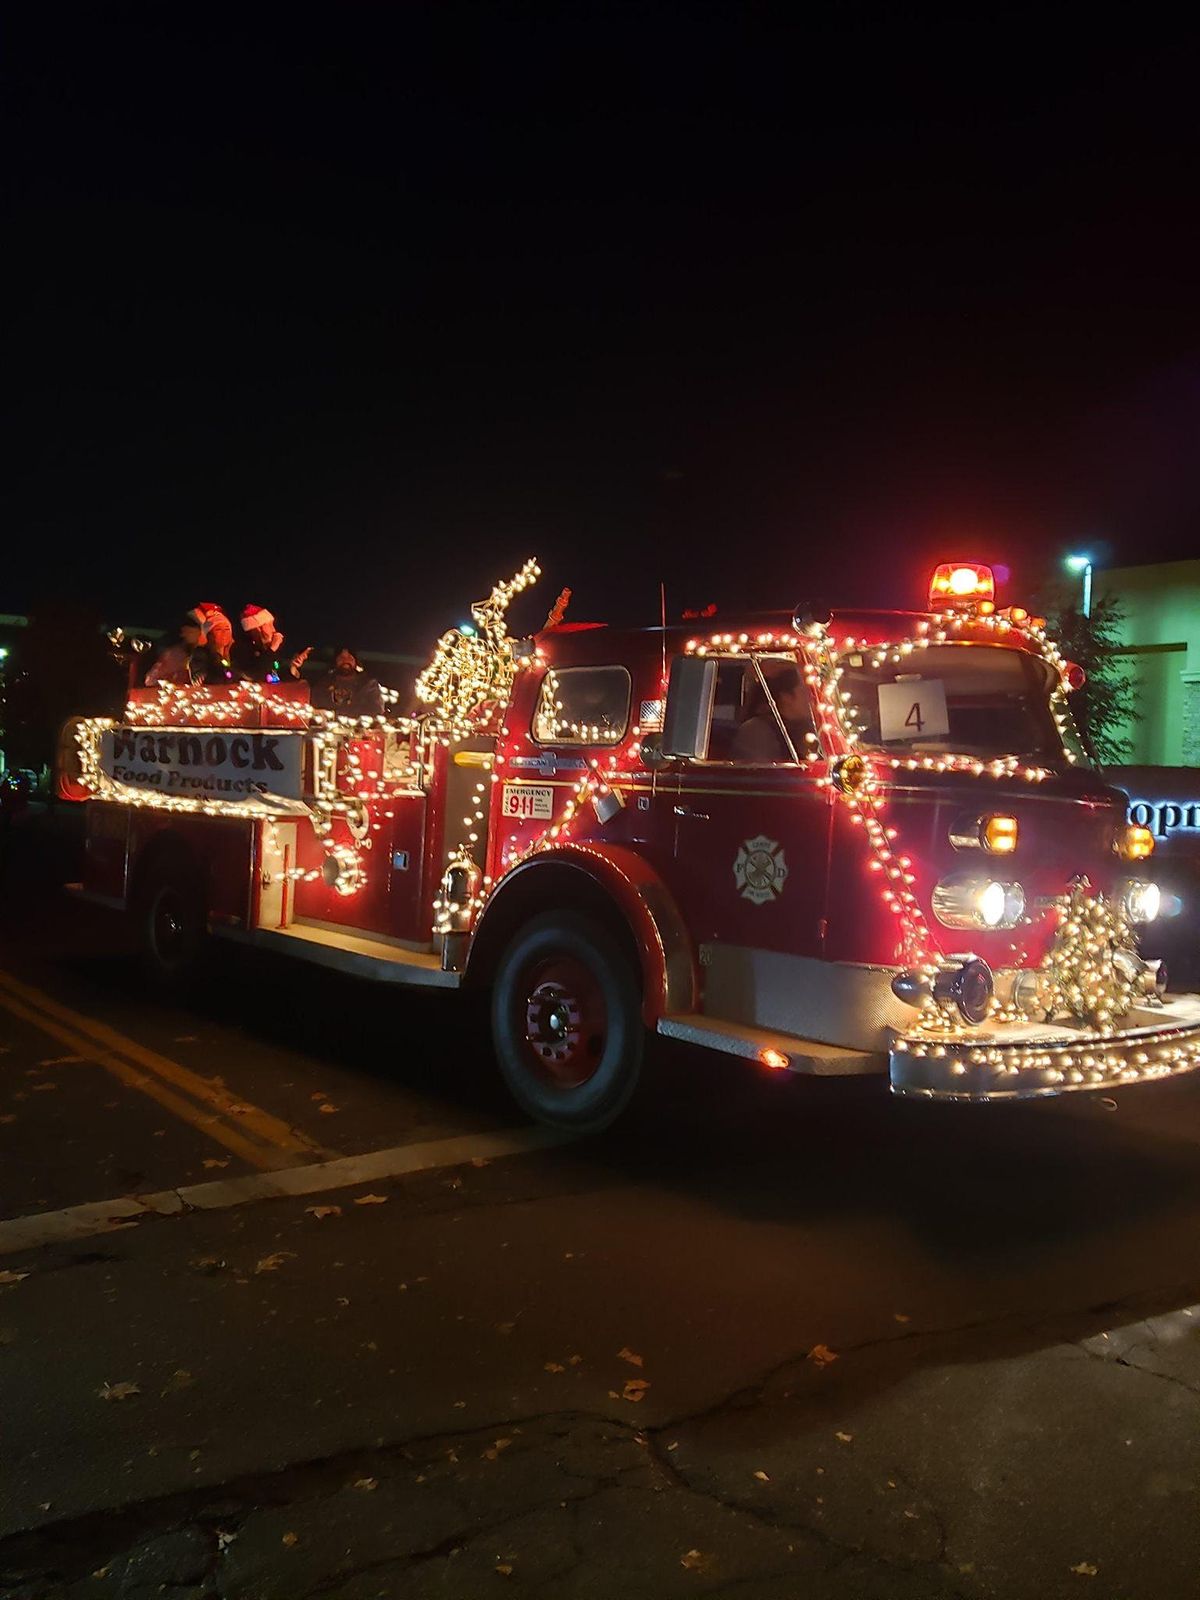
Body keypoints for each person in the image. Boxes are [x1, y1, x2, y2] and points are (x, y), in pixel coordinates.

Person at [731, 663, 812, 763]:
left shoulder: (812, 729)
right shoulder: (757, 732)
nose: (813, 700)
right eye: (807, 693)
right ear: (786, 697)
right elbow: (763, 775)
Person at [232, 605, 310, 683]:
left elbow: (277, 679)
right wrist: (273, 648)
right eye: (269, 625)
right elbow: (254, 674)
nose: (274, 629)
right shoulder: (241, 648)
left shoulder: (268, 650)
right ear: (258, 629)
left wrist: (293, 667)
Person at [145, 612, 221, 687]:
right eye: (185, 632)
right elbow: (150, 680)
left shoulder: (210, 655)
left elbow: (223, 677)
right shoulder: (172, 654)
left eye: (191, 632)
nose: (186, 635)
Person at [313, 646, 385, 716]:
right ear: (335, 661)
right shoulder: (324, 684)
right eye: (341, 658)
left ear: (355, 661)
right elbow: (317, 706)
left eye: (349, 658)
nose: (345, 661)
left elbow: (377, 709)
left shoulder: (369, 684)